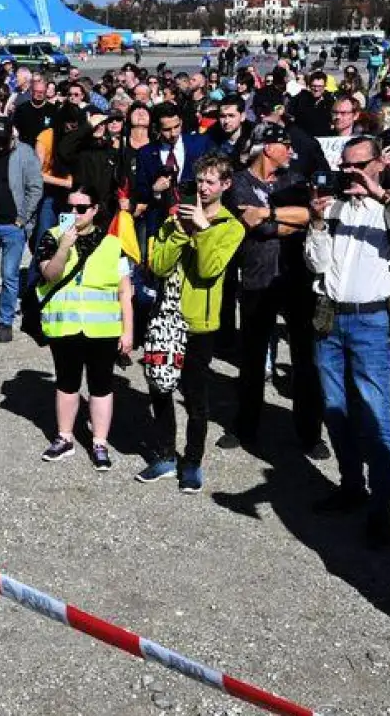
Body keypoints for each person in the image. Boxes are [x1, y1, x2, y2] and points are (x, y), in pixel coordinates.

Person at [304, 137, 390, 547]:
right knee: (334, 408)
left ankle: (382, 507)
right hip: (330, 316)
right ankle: (351, 485)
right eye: (345, 166)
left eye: (358, 165)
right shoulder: (336, 209)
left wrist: (379, 193)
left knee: (375, 413)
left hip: (372, 320)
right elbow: (317, 263)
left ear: (379, 164)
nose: (349, 173)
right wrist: (316, 222)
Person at [135, 154, 246, 493]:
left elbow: (211, 268)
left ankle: (193, 462)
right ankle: (166, 455)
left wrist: (202, 229)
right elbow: (159, 265)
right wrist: (182, 231)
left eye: (211, 181)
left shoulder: (231, 227)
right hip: (166, 318)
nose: (203, 187)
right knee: (159, 387)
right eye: (200, 180)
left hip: (199, 324)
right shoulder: (174, 220)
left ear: (225, 185)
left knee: (196, 397)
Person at [217, 122, 326, 458]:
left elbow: (314, 214)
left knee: (305, 360)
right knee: (251, 357)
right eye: (285, 145)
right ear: (267, 147)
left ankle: (310, 433)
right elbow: (257, 228)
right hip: (257, 279)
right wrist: (292, 220)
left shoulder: (294, 180)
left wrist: (274, 214)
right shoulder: (238, 183)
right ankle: (246, 425)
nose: (291, 151)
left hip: (297, 280)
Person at [35, 185, 135, 470]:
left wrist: (128, 331)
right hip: (65, 325)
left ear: (94, 211)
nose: (73, 214)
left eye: (81, 208)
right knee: (67, 382)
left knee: (101, 385)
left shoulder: (113, 244)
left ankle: (100, 442)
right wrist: (65, 246)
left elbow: (125, 292)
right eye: (69, 208)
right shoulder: (52, 237)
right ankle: (64, 437)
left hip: (102, 329)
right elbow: (49, 275)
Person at [0, 118, 42, 342]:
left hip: (13, 226)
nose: (0, 146)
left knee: (10, 275)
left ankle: (5, 321)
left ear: (12, 136)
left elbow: (35, 186)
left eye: (4, 141)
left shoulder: (25, 153)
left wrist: (23, 219)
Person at [134, 107, 212, 237]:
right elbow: (140, 191)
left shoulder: (200, 144)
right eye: (167, 130)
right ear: (157, 128)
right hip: (161, 223)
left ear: (181, 122)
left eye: (177, 127)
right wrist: (155, 190)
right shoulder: (145, 153)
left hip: (196, 218)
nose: (173, 133)